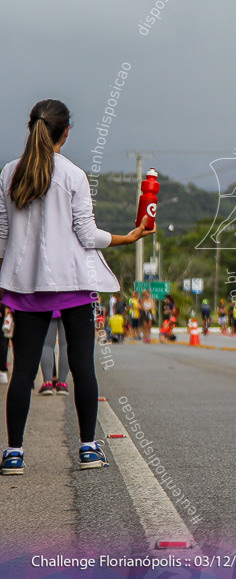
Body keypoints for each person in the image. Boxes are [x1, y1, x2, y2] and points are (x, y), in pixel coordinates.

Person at [0, 99, 154, 475]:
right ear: (66, 132)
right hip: (72, 285)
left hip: (25, 289)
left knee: (22, 371)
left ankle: (14, 453)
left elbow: (2, 237)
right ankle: (88, 449)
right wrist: (127, 238)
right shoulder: (72, 175)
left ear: (32, 127)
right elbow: (87, 235)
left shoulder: (8, 173)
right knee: (83, 366)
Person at [38, 312, 69, 395]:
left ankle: (47, 383)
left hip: (49, 305)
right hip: (68, 304)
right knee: (65, 345)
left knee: (47, 345)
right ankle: (62, 383)